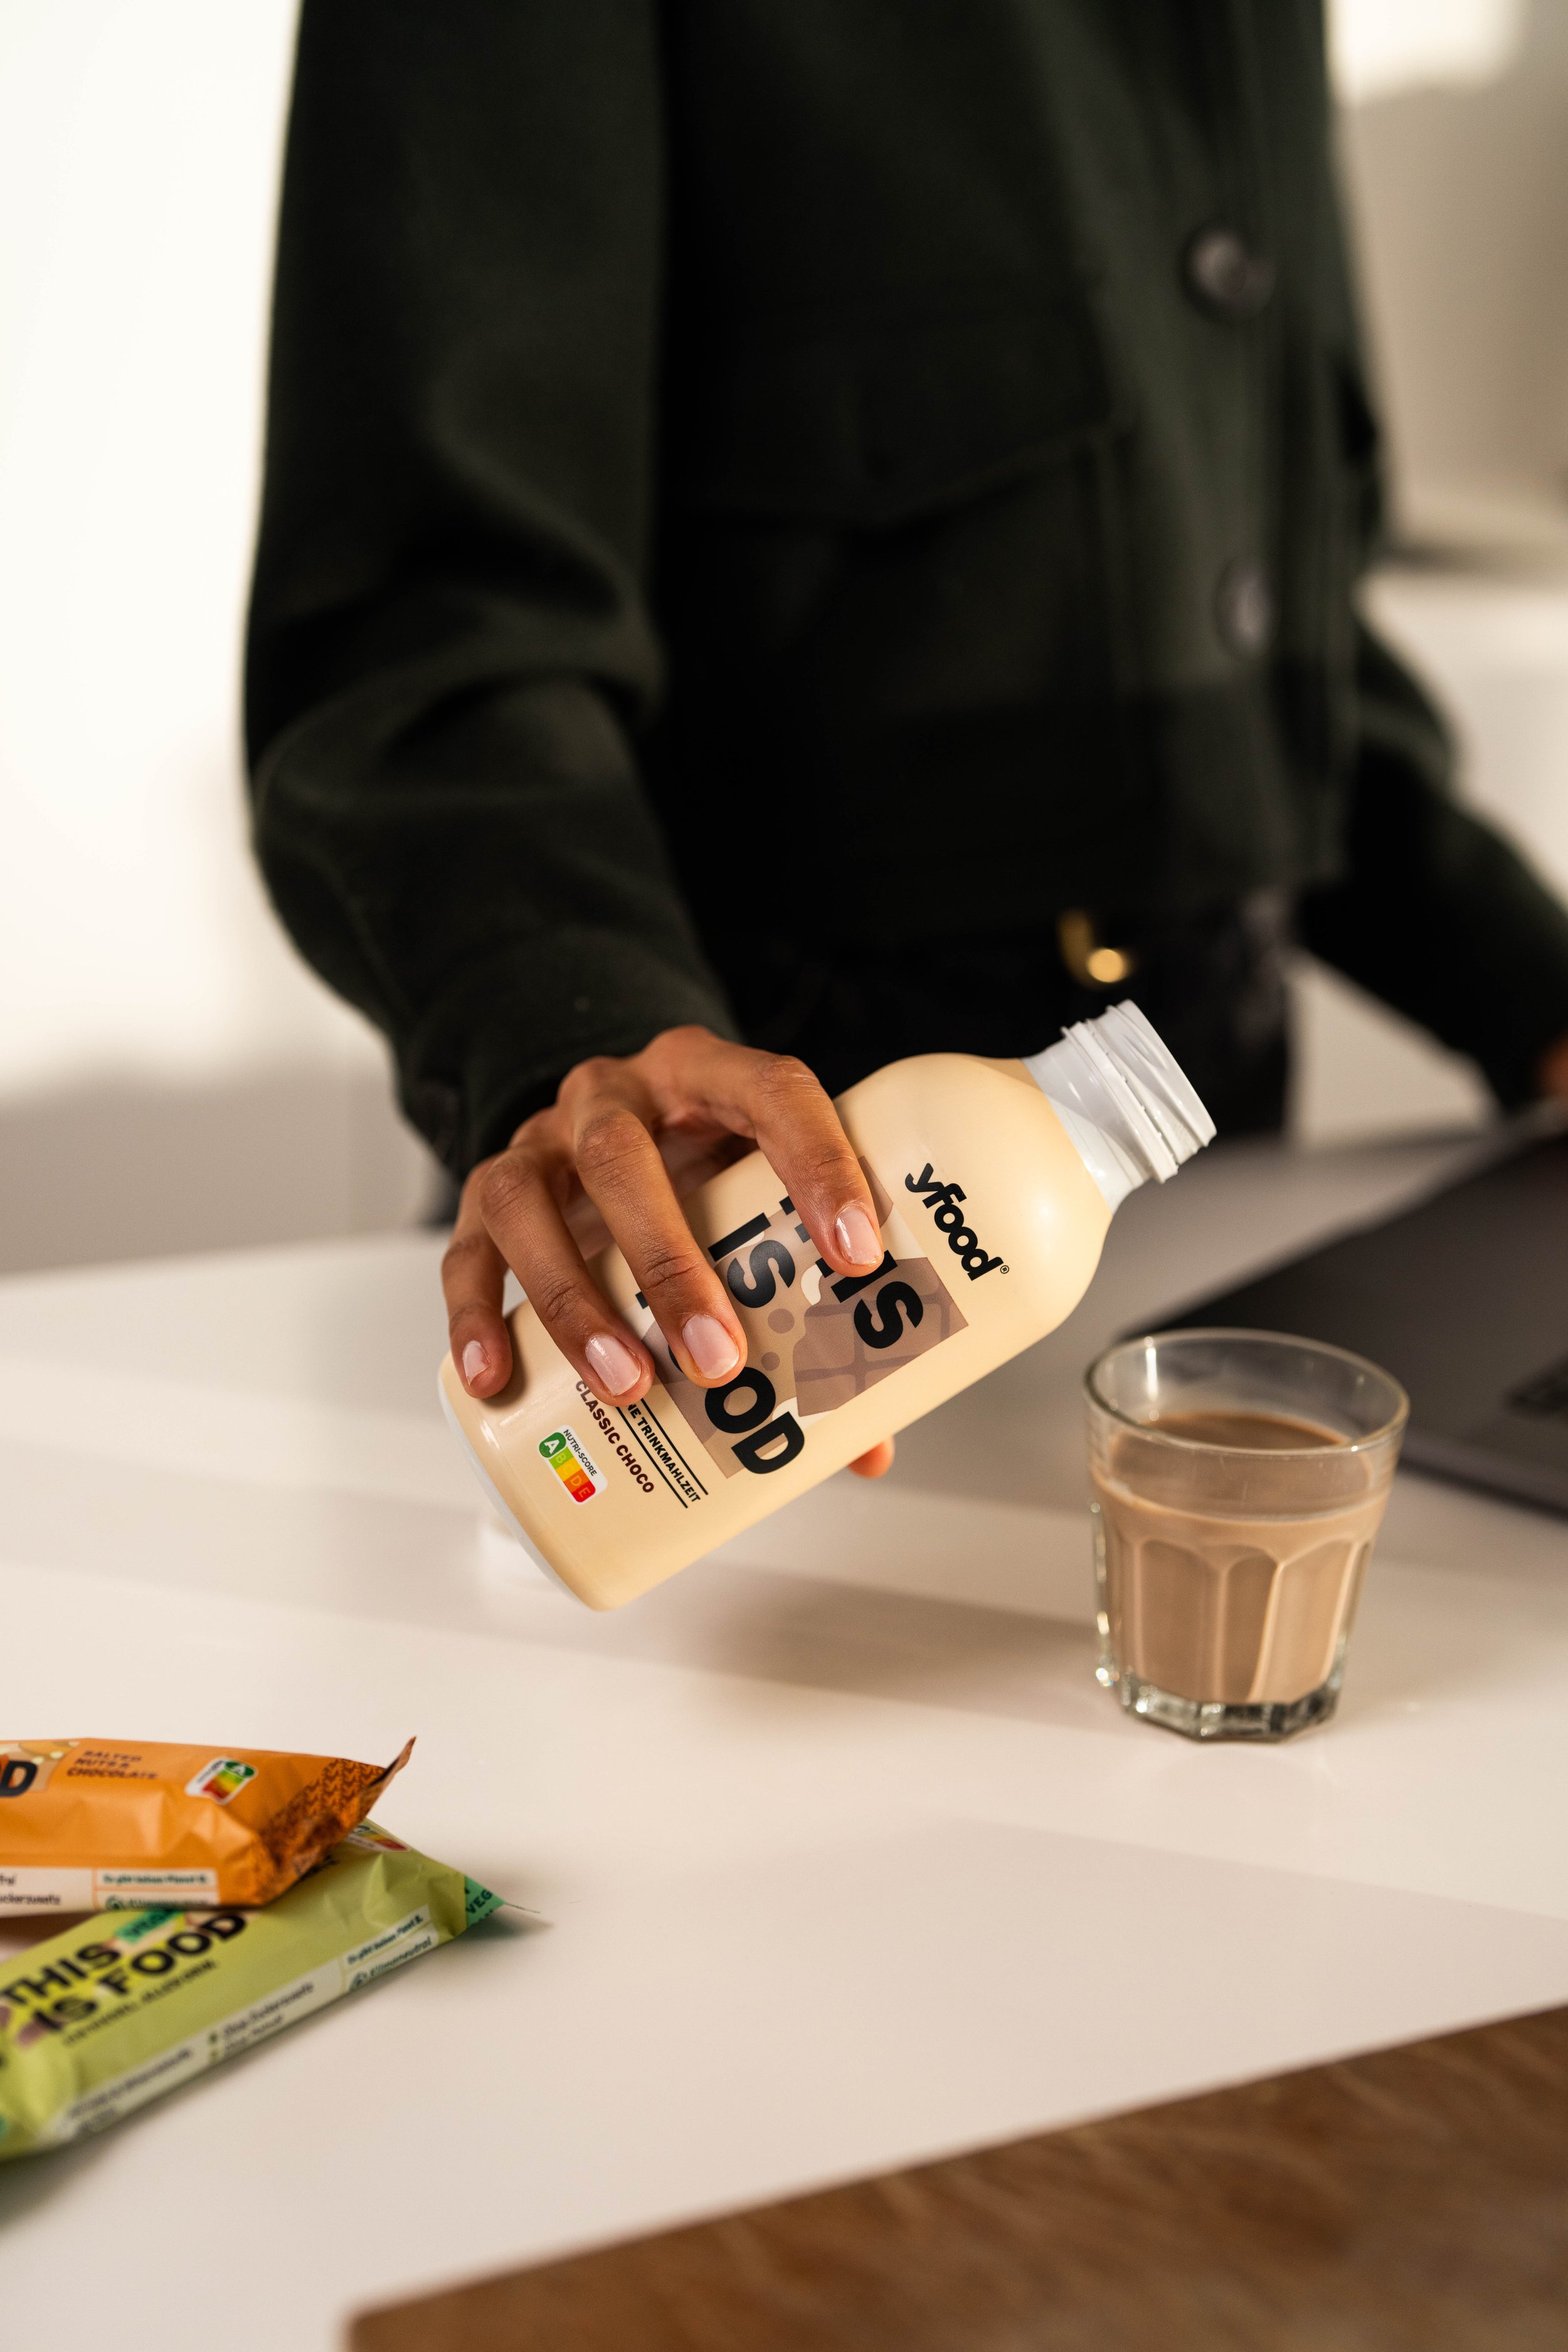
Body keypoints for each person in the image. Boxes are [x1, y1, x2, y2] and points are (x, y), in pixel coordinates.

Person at [245, 1, 1568, 1483]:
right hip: (744, 1222)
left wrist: (1528, 986)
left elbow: (1255, 602)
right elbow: (436, 634)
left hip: (1204, 1192)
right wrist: (588, 1042)